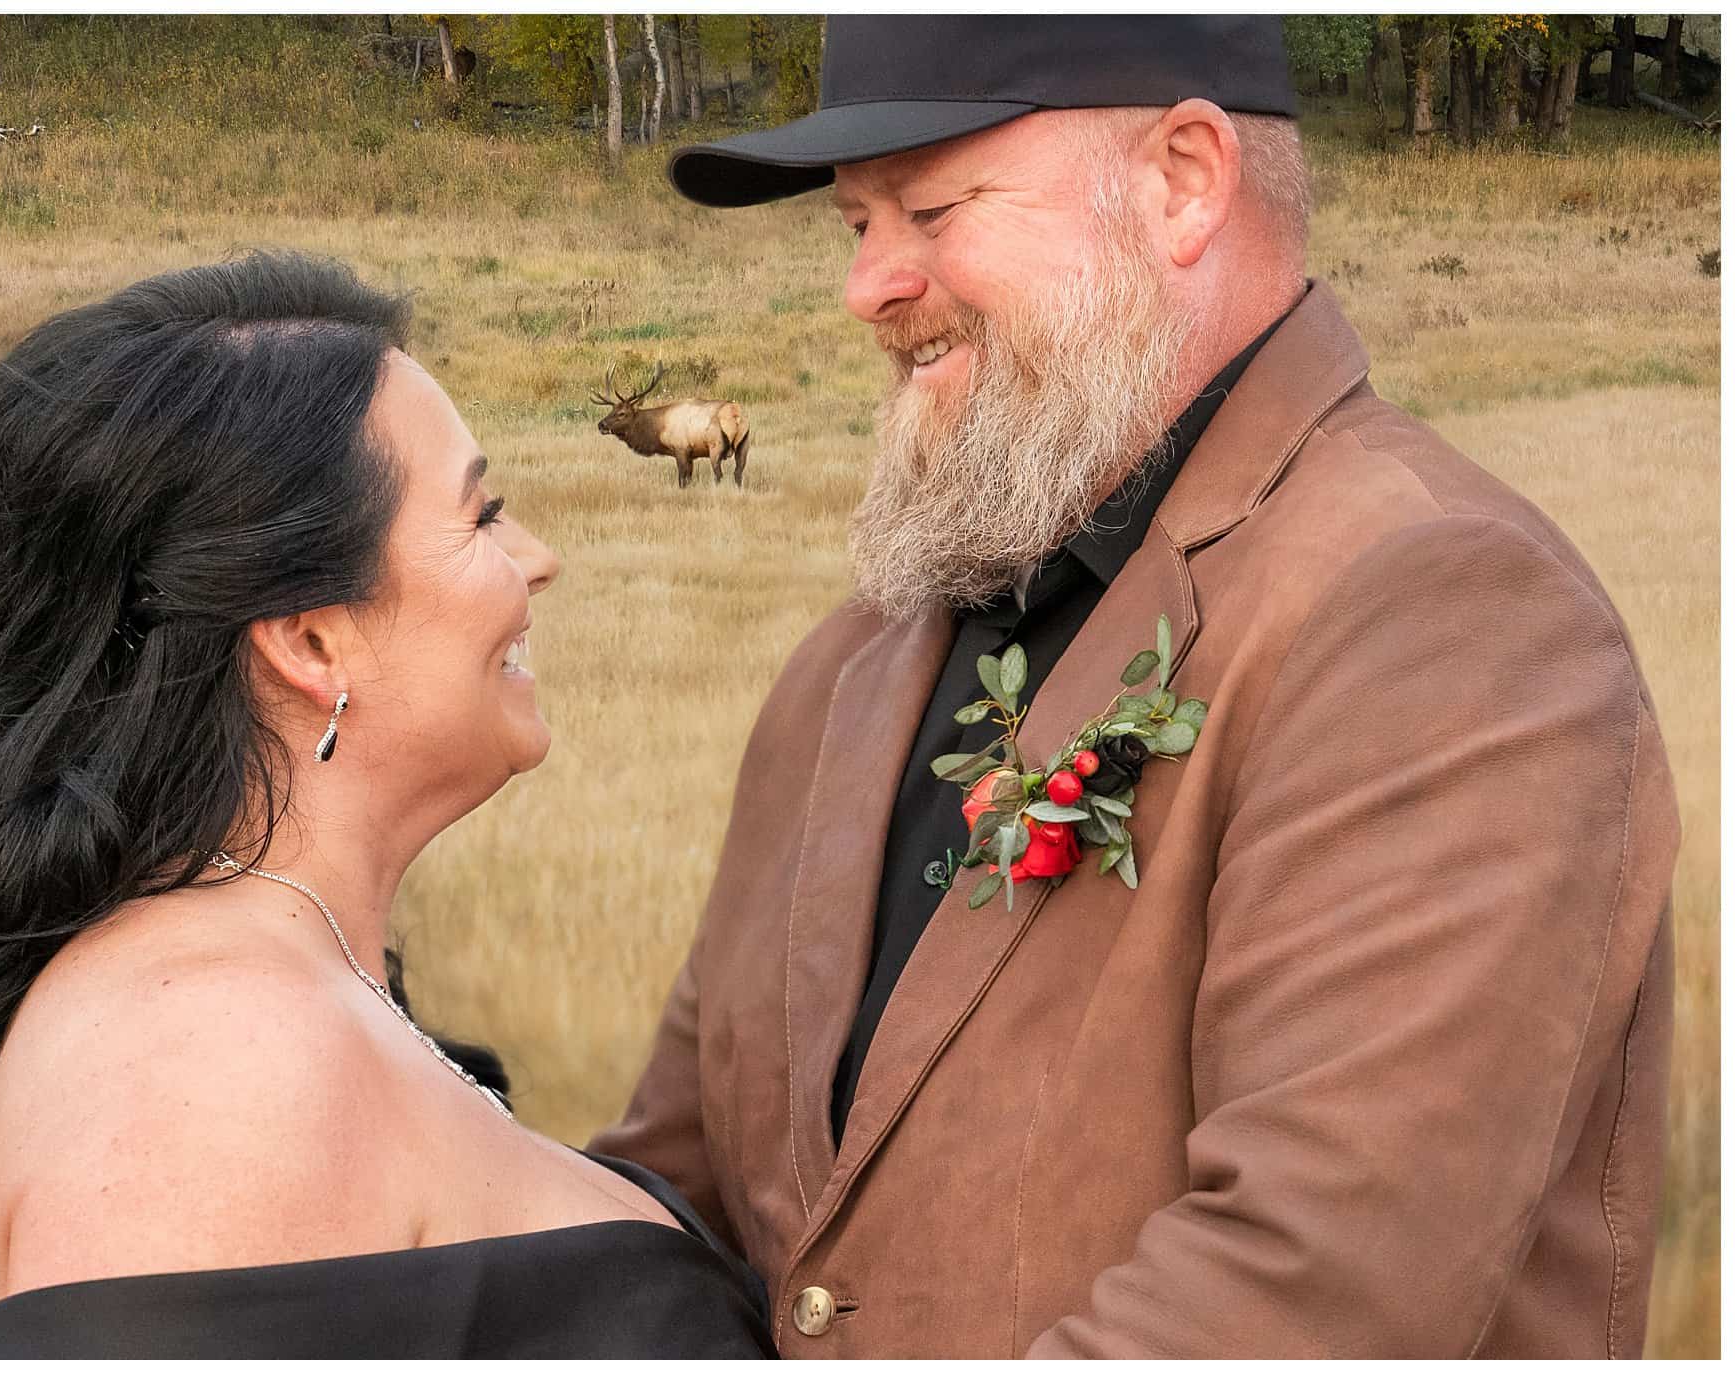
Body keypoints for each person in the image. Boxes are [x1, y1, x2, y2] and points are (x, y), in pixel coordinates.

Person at [593, 16, 1677, 1358]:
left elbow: (1304, 1297)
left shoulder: (1444, 618)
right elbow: (671, 1204)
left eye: (928, 209)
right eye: (854, 227)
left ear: (1182, 181)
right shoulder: (849, 669)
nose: (868, 287)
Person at [0, 251, 772, 1358]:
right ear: (312, 641)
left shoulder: (240, 1006)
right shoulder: (210, 1086)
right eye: (484, 516)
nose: (538, 559)